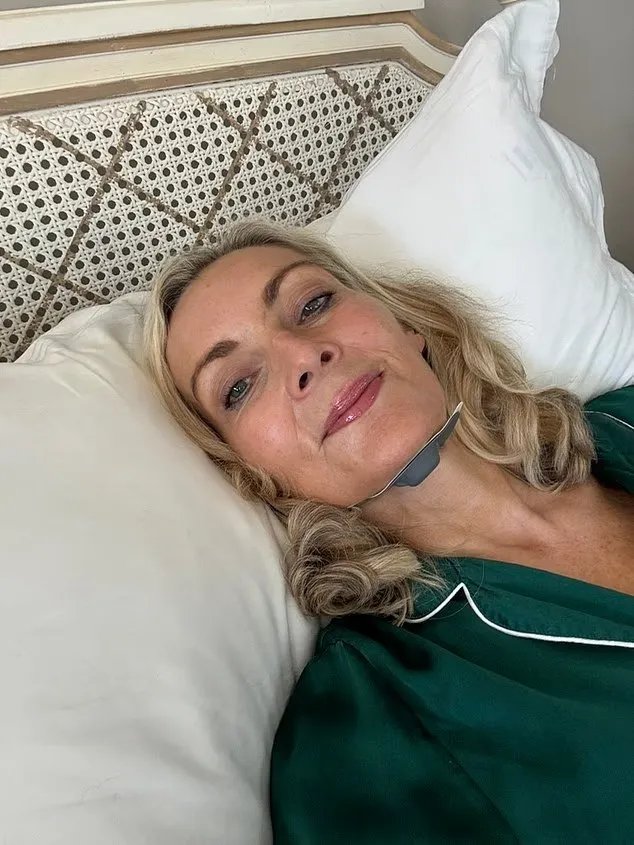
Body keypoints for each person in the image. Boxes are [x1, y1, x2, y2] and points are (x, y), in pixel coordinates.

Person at [144, 218, 634, 844]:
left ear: (405, 325)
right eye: (238, 387)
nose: (304, 356)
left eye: (312, 304)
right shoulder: (365, 718)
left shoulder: (620, 423)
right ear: (251, 474)